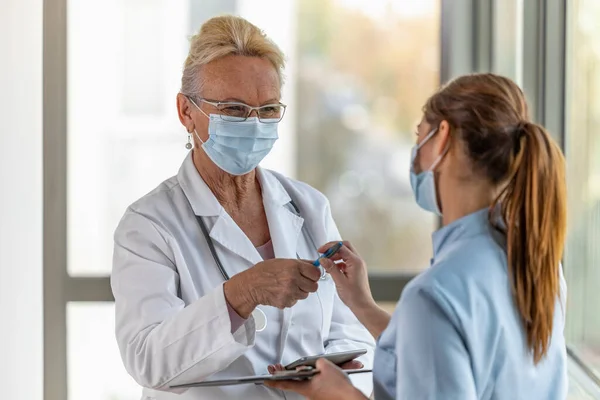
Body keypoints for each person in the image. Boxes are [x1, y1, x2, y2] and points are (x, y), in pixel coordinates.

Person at [111, 15, 375, 400]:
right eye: (234, 109)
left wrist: (329, 368)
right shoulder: (149, 225)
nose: (253, 124)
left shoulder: (308, 205)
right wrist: (240, 295)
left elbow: (345, 329)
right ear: (186, 111)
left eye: (267, 110)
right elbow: (147, 360)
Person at [267, 73, 568, 399]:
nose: (414, 154)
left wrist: (341, 395)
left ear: (442, 138)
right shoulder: (537, 265)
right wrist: (362, 305)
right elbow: (441, 356)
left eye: (418, 135)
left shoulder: (435, 295)